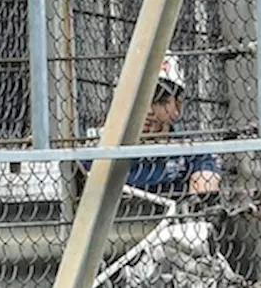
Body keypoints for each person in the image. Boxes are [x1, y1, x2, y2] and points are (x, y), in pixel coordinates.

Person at [85, 53, 221, 195]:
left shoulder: (191, 152)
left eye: (159, 101)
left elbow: (205, 186)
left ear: (177, 106)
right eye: (140, 100)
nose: (149, 111)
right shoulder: (101, 150)